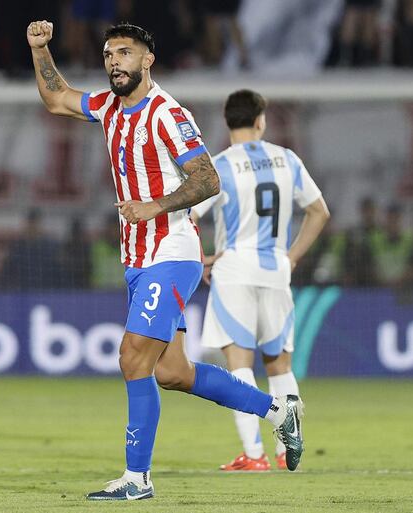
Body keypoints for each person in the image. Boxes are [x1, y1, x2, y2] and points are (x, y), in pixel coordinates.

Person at [27, 21, 304, 501]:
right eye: (109, 53)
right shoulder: (109, 107)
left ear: (147, 60)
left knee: (132, 356)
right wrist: (40, 48)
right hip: (137, 259)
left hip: (171, 252)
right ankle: (278, 412)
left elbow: (206, 179)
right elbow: (57, 98)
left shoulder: (166, 114)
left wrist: (155, 206)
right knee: (173, 373)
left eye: (126, 52)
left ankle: (137, 478)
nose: (115, 60)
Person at [192, 90, 330, 472]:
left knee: (239, 365)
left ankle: (254, 455)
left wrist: (203, 257)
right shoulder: (287, 160)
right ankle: (289, 449)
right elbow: (319, 212)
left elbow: (189, 216)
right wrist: (293, 256)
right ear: (260, 120)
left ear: (227, 121)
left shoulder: (218, 166)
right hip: (276, 271)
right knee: (280, 366)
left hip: (234, 270)